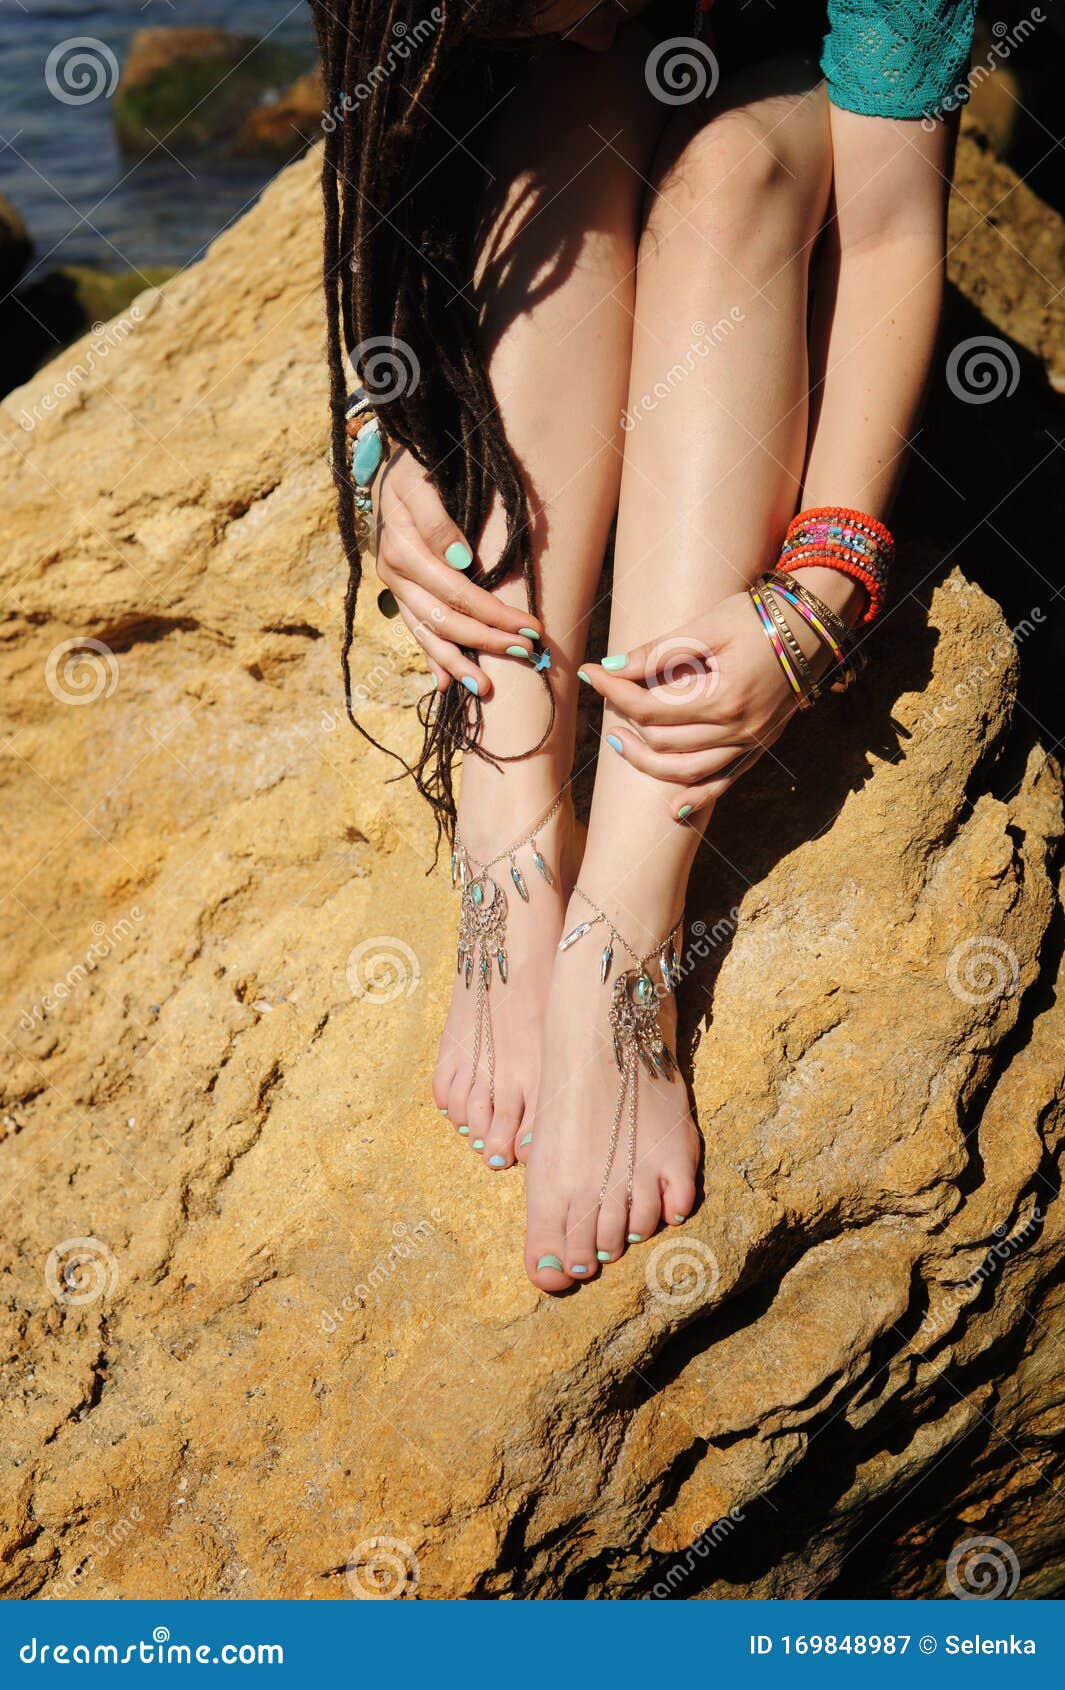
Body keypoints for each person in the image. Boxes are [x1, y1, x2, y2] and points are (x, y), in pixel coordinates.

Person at [309, 0, 978, 1290]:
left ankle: (622, 932)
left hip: (805, 164)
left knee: (725, 177)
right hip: (575, 143)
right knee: (572, 96)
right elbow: (381, 143)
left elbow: (894, 236)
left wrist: (821, 588)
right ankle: (509, 852)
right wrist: (376, 425)